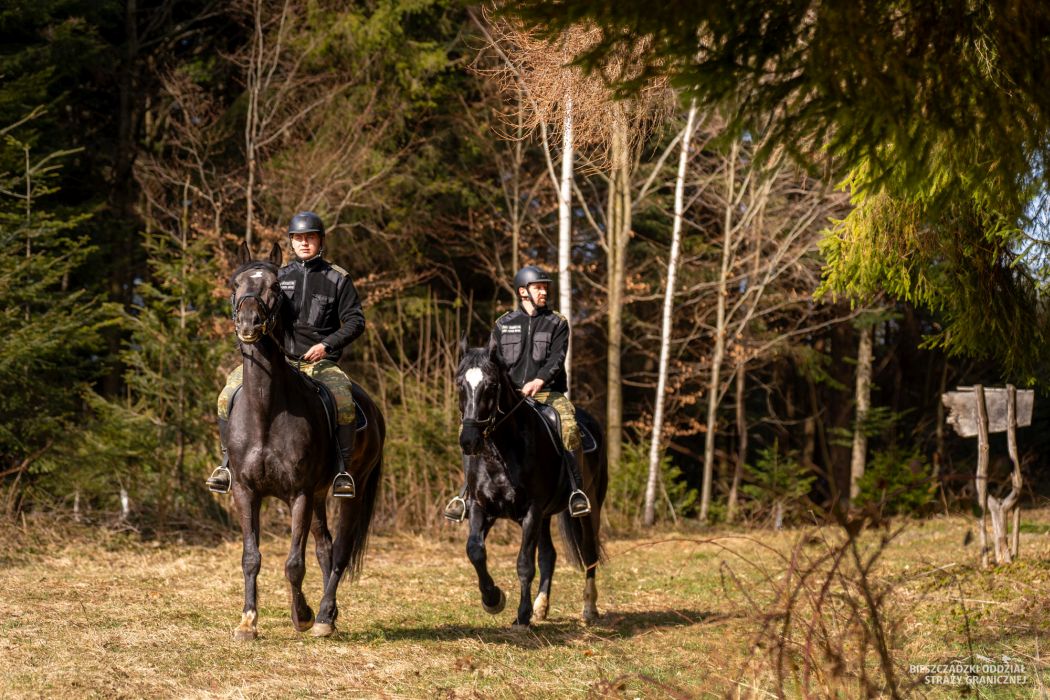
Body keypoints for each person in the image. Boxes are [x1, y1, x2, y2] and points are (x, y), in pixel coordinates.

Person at [206, 211, 364, 498]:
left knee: (343, 398)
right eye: (298, 238)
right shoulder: (277, 277)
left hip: (320, 362)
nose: (304, 243)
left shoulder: (337, 278)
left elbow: (355, 321)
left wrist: (326, 346)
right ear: (291, 242)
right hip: (279, 361)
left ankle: (342, 470)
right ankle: (227, 465)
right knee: (226, 395)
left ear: (320, 241)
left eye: (310, 238)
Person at [443, 265, 591, 522]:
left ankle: (575, 491)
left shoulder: (557, 322)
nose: (544, 292)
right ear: (523, 292)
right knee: (468, 429)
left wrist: (539, 381)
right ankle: (467, 493)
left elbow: (557, 359)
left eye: (545, 288)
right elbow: (493, 362)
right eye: (538, 288)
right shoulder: (503, 324)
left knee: (568, 427)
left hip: (547, 394)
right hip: (511, 397)